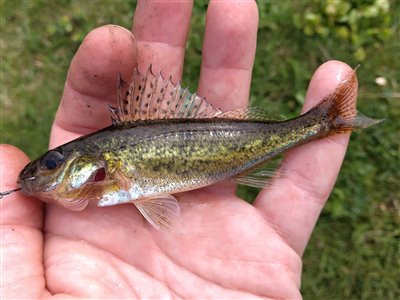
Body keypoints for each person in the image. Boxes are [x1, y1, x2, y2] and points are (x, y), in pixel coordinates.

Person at [1, 1, 355, 298]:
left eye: (51, 163)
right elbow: (157, 204)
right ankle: (321, 123)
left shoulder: (109, 173)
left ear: (93, 164)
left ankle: (323, 121)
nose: (44, 170)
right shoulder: (103, 179)